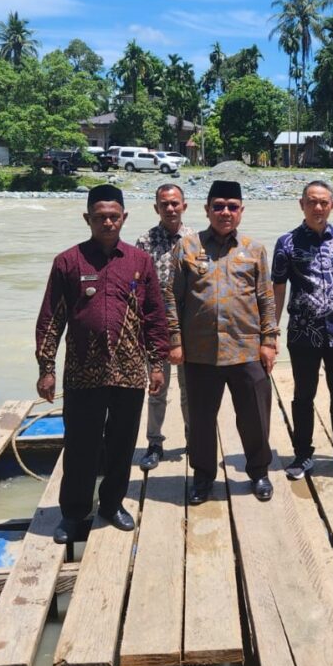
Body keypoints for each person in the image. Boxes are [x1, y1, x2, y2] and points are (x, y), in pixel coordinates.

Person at [36, 184, 168, 543]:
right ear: (87, 219)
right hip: (82, 372)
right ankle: (73, 513)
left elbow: (155, 316)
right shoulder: (68, 262)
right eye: (100, 217)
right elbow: (51, 319)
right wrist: (46, 369)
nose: (108, 223)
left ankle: (111, 505)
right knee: (80, 444)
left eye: (114, 217)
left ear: (124, 217)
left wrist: (156, 363)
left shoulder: (139, 262)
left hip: (128, 371)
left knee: (123, 443)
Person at [164, 180, 278, 504]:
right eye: (218, 206)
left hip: (247, 351)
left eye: (232, 206)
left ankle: (258, 472)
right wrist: (175, 341)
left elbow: (266, 299)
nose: (225, 212)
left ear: (241, 211)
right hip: (201, 352)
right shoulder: (186, 247)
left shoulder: (254, 250)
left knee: (255, 416)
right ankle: (202, 478)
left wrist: (268, 341)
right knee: (200, 420)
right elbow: (171, 298)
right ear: (207, 210)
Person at [272, 181, 333, 480]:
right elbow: (277, 289)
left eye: (323, 202)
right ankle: (302, 454)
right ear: (302, 204)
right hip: (302, 333)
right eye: (312, 202)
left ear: (332, 205)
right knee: (303, 395)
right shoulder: (286, 243)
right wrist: (271, 330)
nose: (318, 207)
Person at [134, 184, 193, 471]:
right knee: (157, 389)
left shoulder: (196, 239)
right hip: (155, 330)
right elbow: (137, 289)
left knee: (190, 390)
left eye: (175, 203)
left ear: (185, 206)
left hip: (192, 329)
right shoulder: (144, 242)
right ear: (156, 208)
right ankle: (155, 443)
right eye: (164, 204)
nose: (170, 208)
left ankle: (194, 440)